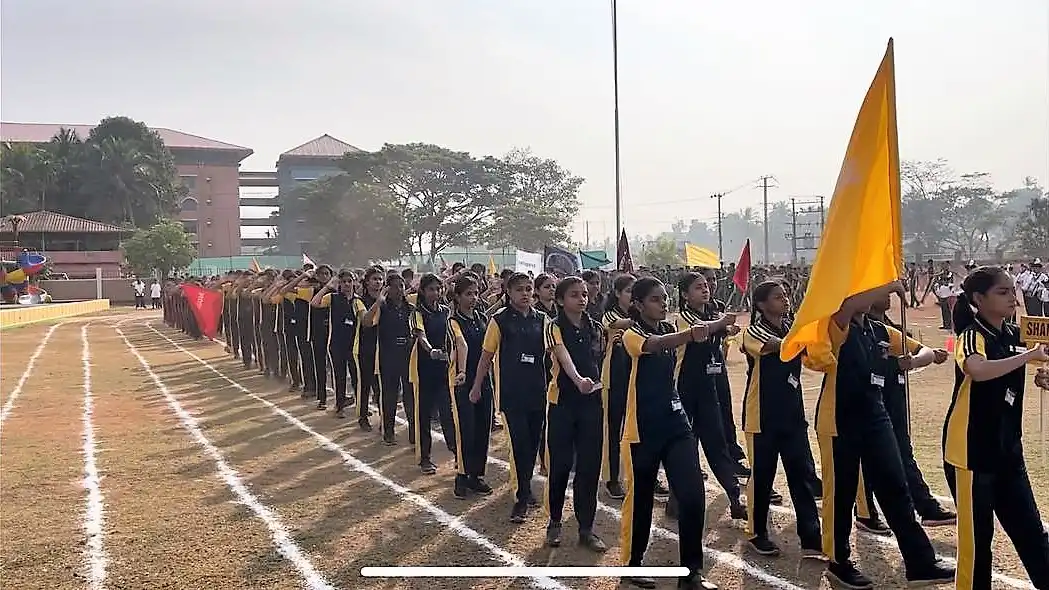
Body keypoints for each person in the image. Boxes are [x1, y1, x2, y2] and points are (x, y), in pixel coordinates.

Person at [806, 279, 954, 589]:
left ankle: (920, 563)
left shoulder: (878, 331)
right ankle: (838, 561)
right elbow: (846, 306)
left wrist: (910, 362)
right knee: (841, 494)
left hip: (875, 417)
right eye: (876, 292)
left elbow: (925, 350)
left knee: (895, 487)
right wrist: (888, 282)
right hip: (838, 421)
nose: (885, 296)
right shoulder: (837, 324)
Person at [944, 265, 1049, 590]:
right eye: (1002, 293)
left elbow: (1030, 360)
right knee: (978, 543)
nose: (1012, 299)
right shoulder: (970, 335)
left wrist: (1042, 375)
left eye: (1011, 291)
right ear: (978, 298)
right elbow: (977, 369)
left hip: (1007, 450)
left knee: (1031, 531)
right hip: (971, 453)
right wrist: (1026, 357)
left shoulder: (1015, 333)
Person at [619, 277, 715, 590]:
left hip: (676, 424)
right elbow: (652, 347)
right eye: (655, 299)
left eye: (664, 298)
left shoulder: (668, 330)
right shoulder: (632, 334)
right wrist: (690, 333)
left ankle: (691, 573)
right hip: (642, 430)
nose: (663, 304)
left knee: (692, 495)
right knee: (642, 501)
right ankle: (632, 565)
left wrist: (717, 327)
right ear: (638, 304)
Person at [740, 280, 823, 558]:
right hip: (761, 416)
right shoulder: (754, 332)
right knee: (762, 478)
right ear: (762, 305)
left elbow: (811, 353)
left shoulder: (791, 328)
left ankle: (811, 538)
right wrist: (806, 333)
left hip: (792, 415)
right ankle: (756, 532)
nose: (785, 300)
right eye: (778, 297)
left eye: (786, 295)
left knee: (801, 476)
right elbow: (779, 347)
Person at [865, 293, 958, 527]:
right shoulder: (859, 329)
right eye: (881, 290)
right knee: (868, 458)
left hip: (894, 395)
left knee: (902, 452)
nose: (887, 295)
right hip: (868, 398)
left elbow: (920, 350)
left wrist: (916, 360)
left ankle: (925, 506)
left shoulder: (888, 327)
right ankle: (865, 511)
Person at [469, 272, 548, 524]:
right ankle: (522, 498)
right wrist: (477, 386)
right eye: (519, 290)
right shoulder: (499, 320)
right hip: (512, 394)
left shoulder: (543, 320)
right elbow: (486, 356)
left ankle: (524, 490)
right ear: (508, 293)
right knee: (520, 445)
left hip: (538, 392)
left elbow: (554, 353)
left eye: (528, 289)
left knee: (533, 446)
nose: (525, 294)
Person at [671, 272, 745, 521]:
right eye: (697, 288)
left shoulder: (713, 315)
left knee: (717, 443)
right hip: (685, 389)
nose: (705, 290)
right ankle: (675, 497)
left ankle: (735, 496)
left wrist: (727, 326)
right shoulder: (683, 318)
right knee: (684, 447)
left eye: (706, 286)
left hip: (708, 388)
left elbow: (721, 330)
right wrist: (724, 323)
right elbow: (699, 332)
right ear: (684, 295)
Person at [542, 276, 607, 552]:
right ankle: (555, 521)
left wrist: (595, 384)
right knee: (559, 465)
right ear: (559, 300)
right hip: (563, 404)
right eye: (573, 295)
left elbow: (601, 360)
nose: (581, 299)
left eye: (583, 294)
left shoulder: (597, 328)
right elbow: (562, 354)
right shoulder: (553, 326)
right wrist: (579, 379)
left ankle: (586, 528)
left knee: (589, 468)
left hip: (591, 405)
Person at [448, 275, 495, 498]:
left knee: (482, 428)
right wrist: (464, 371)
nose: (474, 298)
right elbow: (461, 344)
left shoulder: (481, 318)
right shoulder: (454, 321)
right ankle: (461, 475)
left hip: (484, 379)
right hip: (463, 382)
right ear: (457, 297)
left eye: (476, 293)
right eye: (468, 294)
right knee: (465, 429)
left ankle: (476, 475)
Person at [409, 273, 457, 474]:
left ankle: (457, 452)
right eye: (431, 289)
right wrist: (432, 351)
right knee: (423, 415)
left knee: (448, 413)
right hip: (423, 369)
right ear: (422, 291)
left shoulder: (446, 312)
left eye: (438, 288)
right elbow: (421, 336)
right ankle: (425, 458)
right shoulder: (417, 312)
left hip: (444, 370)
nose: (435, 292)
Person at [362, 274, 415, 445]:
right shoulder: (383, 307)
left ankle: (414, 431)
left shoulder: (410, 308)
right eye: (394, 286)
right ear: (387, 288)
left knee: (410, 395)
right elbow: (367, 322)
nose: (399, 290)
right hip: (388, 356)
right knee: (389, 395)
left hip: (407, 356)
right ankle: (389, 431)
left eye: (401, 286)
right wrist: (379, 301)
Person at [310, 270, 365, 417]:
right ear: (339, 283)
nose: (347, 284)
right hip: (336, 343)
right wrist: (327, 287)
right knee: (339, 376)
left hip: (354, 344)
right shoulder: (332, 298)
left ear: (354, 282)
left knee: (356, 376)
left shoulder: (358, 301)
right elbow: (314, 303)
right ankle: (339, 406)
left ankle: (361, 406)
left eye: (349, 281)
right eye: (343, 281)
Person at [354, 267, 384, 431]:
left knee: (380, 386)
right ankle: (363, 416)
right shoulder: (359, 300)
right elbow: (366, 321)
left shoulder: (387, 299)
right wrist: (377, 303)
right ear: (367, 282)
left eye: (380, 279)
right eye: (374, 279)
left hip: (383, 348)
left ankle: (384, 417)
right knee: (365, 384)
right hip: (364, 348)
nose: (378, 282)